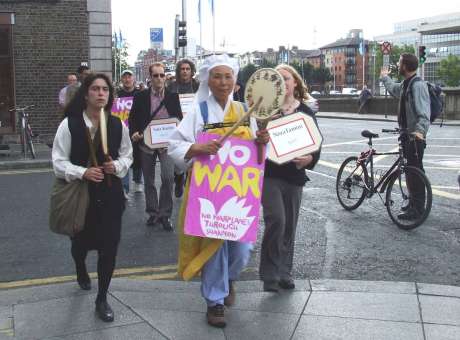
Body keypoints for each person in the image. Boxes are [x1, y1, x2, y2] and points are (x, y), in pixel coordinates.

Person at [168, 54, 269, 328]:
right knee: (213, 250)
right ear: (207, 80)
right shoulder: (198, 112)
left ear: (235, 81)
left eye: (228, 76)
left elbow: (258, 157)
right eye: (217, 76)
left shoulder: (246, 112)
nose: (223, 82)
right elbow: (173, 146)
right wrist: (196, 148)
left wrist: (262, 142)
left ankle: (229, 280)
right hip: (207, 192)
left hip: (238, 193)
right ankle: (215, 302)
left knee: (242, 249)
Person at [52, 73, 133, 322]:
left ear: (109, 95)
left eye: (105, 90)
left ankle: (102, 299)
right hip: (82, 196)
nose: (101, 93)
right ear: (86, 93)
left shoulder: (118, 124)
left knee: (109, 249)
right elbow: (58, 162)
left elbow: (127, 156)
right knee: (80, 245)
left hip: (110, 196)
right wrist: (83, 171)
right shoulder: (70, 124)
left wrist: (116, 167)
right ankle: (79, 266)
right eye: (96, 89)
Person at [259, 64, 321, 293]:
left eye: (286, 78)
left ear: (295, 82)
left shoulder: (306, 112)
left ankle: (284, 272)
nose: (282, 83)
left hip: (294, 176)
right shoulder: (266, 110)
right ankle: (269, 274)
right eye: (277, 79)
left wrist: (310, 159)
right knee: (277, 220)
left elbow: (316, 143)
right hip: (271, 174)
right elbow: (255, 142)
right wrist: (262, 134)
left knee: (289, 227)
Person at [129, 62, 182, 231]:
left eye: (162, 75)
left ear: (165, 77)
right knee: (149, 180)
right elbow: (133, 118)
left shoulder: (173, 97)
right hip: (146, 145)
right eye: (155, 75)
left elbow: (180, 119)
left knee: (168, 178)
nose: (159, 78)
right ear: (150, 78)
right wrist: (135, 132)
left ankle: (165, 214)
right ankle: (153, 212)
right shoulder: (140, 96)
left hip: (167, 145)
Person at [380, 53, 430, 220]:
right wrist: (385, 78)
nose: (398, 65)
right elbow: (394, 90)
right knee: (409, 173)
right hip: (406, 135)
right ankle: (413, 203)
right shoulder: (406, 84)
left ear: (406, 66)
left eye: (400, 62)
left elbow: (424, 113)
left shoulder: (418, 85)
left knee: (415, 173)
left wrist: (420, 132)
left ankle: (418, 209)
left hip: (415, 137)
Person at [167, 59, 200, 198]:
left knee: (193, 155)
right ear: (178, 71)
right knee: (179, 157)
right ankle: (178, 178)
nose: (185, 71)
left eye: (187, 69)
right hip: (178, 125)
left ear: (192, 71)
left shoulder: (198, 86)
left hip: (195, 125)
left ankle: (188, 181)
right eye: (182, 69)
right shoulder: (171, 87)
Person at [117, 69, 143, 195]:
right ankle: (125, 187)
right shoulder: (117, 95)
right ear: (122, 80)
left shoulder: (141, 94)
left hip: (136, 130)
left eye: (129, 77)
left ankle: (137, 181)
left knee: (137, 157)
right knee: (123, 156)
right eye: (125, 77)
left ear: (133, 79)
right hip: (122, 131)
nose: (127, 79)